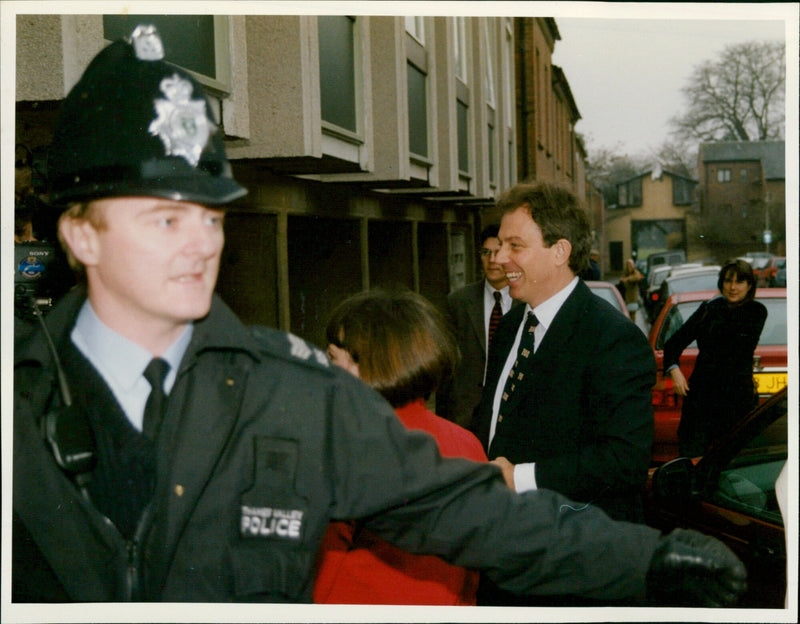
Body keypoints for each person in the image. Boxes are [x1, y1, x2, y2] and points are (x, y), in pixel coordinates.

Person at [13, 25, 747, 607]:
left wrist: (644, 561)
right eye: (164, 219)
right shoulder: (18, 401)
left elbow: (463, 509)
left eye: (210, 217)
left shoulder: (292, 395)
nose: (202, 244)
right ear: (80, 233)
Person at [470, 183, 657, 605]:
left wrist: (517, 478)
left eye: (515, 246)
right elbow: (496, 421)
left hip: (572, 570)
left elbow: (624, 460)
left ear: (560, 251)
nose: (500, 259)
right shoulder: (512, 326)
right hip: (505, 555)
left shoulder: (612, 339)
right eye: (498, 246)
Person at [315, 289, 487, 604]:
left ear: (369, 366)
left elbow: (322, 569)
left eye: (332, 359)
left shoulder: (349, 444)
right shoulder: (467, 443)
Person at [663, 259, 767, 457]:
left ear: (749, 285)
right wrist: (674, 370)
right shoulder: (709, 309)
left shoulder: (756, 312)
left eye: (739, 282)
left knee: (730, 460)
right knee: (693, 458)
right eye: (728, 281)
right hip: (701, 400)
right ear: (721, 283)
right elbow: (673, 343)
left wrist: (714, 307)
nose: (733, 287)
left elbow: (734, 345)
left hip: (735, 400)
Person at [436, 225, 519, 427]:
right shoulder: (458, 302)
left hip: (512, 414)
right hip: (464, 417)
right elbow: (445, 367)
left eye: (497, 252)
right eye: (485, 252)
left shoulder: (527, 304)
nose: (491, 260)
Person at [620, 258, 644, 322]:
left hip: (633, 297)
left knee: (633, 314)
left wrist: (627, 279)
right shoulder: (625, 273)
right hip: (626, 297)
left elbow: (637, 277)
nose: (629, 267)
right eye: (628, 265)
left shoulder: (635, 273)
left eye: (630, 265)